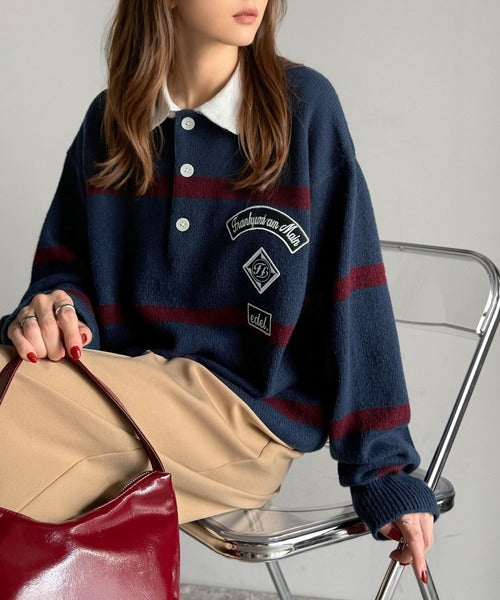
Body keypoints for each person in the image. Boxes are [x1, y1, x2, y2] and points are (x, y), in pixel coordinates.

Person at [0, 0, 438, 585]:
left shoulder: (303, 108)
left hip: (243, 416)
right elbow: (68, 268)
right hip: (121, 386)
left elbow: (352, 290)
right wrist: (59, 311)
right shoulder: (111, 120)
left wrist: (385, 471)